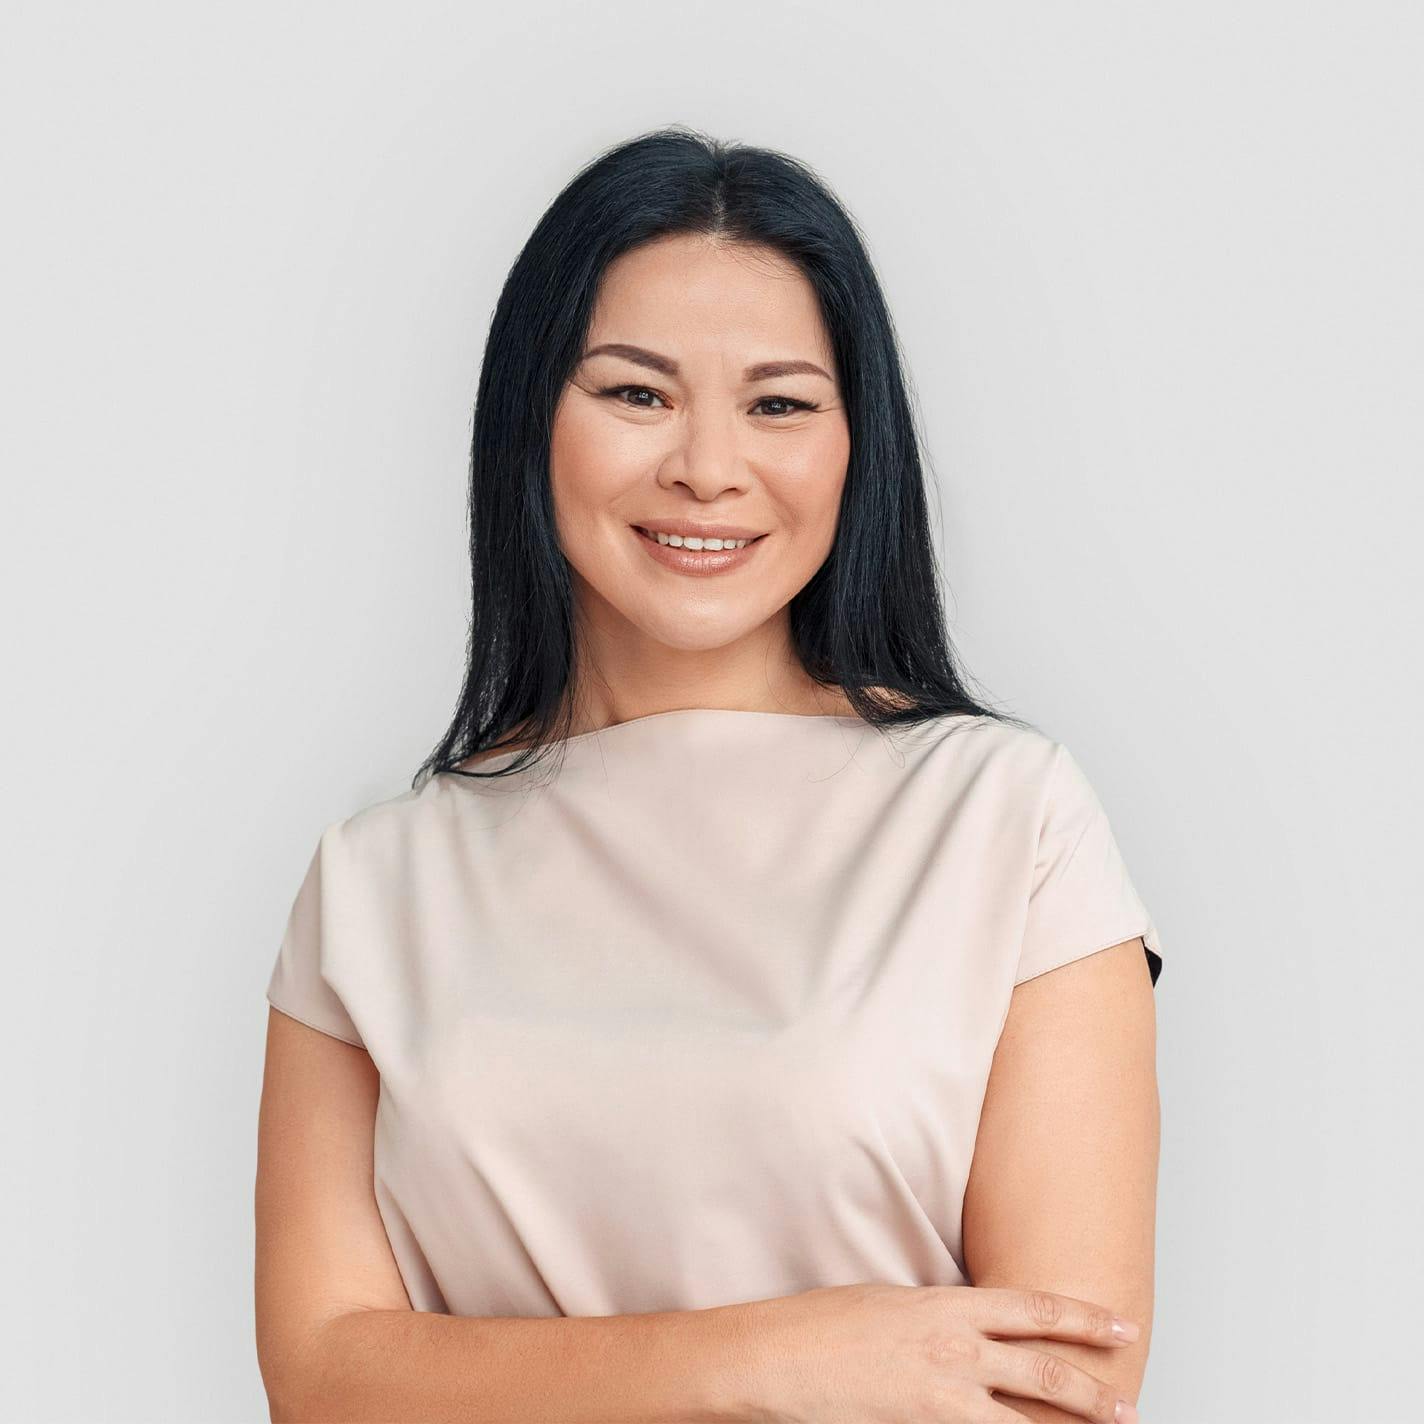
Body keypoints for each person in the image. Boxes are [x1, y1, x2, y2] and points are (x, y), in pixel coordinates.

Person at [255, 125, 1164, 1424]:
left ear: (861, 448)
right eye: (636, 393)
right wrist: (780, 1360)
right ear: (531, 420)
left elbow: (1064, 1386)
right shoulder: (373, 884)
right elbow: (326, 1379)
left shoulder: (1011, 823)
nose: (707, 466)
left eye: (781, 403)